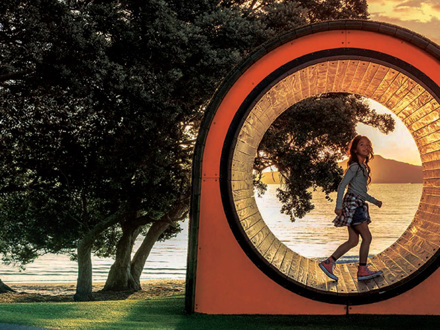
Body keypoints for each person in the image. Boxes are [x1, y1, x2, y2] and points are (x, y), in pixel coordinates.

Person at [319, 135, 383, 281]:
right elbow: (342, 186)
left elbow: (361, 191)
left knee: (353, 241)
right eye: (362, 145)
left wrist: (374, 201)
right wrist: (338, 206)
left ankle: (328, 263)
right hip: (354, 205)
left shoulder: (362, 167)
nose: (366, 148)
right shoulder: (354, 167)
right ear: (355, 149)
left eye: (368, 145)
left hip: (356, 203)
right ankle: (362, 270)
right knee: (367, 237)